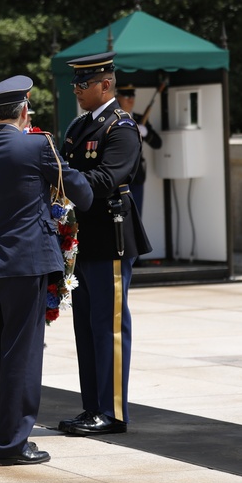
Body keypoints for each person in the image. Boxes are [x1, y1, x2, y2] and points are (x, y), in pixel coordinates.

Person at [0, 75, 94, 466]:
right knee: (22, 353)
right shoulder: (39, 145)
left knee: (0, 352)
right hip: (26, 261)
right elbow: (82, 195)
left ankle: (4, 433)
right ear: (24, 110)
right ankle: (11, 444)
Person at [58, 53, 152, 437]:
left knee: (109, 326)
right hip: (83, 238)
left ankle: (112, 412)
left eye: (84, 84)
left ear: (105, 85)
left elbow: (106, 178)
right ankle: (92, 406)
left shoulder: (121, 128)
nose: (78, 91)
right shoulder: (81, 126)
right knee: (86, 325)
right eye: (76, 85)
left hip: (110, 237)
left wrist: (61, 175)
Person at [116, 84, 163, 213]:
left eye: (132, 95)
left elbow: (158, 144)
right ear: (118, 97)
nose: (130, 99)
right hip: (117, 176)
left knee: (136, 215)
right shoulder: (113, 119)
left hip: (136, 176)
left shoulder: (139, 119)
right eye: (126, 96)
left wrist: (146, 133)